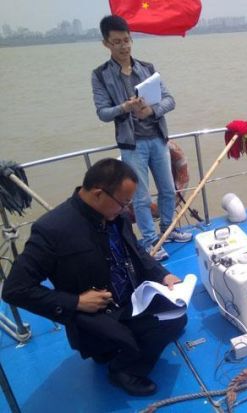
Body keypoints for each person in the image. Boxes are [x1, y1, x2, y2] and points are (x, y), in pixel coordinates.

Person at [2, 159, 188, 396]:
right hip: (95, 315)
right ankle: (123, 370)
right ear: (99, 194)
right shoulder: (52, 230)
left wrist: (163, 276)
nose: (126, 209)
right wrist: (76, 302)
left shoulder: (116, 216)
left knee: (178, 315)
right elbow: (15, 289)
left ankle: (127, 342)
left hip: (132, 300)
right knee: (137, 339)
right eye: (123, 202)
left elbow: (137, 252)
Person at [91, 14, 191, 261]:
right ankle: (149, 241)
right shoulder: (101, 75)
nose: (123, 46)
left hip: (157, 138)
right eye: (117, 42)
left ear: (131, 39)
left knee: (168, 189)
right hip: (132, 144)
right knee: (141, 197)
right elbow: (102, 113)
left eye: (126, 40)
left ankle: (168, 230)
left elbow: (170, 100)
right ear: (106, 44)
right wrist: (124, 107)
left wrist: (151, 111)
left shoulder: (147, 69)